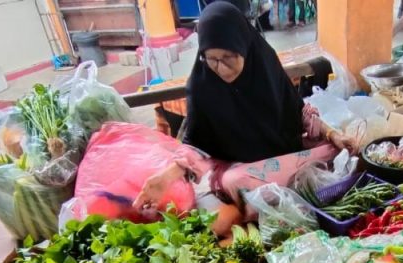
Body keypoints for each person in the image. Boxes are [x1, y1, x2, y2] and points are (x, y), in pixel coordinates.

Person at [136, 2, 353, 227]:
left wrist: (332, 133)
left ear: (245, 48)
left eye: (228, 57)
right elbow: (196, 143)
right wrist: (166, 177)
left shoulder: (264, 64)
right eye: (211, 58)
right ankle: (281, 192)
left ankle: (271, 197)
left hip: (285, 153)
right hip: (241, 169)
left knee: (338, 148)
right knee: (236, 181)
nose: (220, 68)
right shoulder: (202, 85)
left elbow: (297, 110)